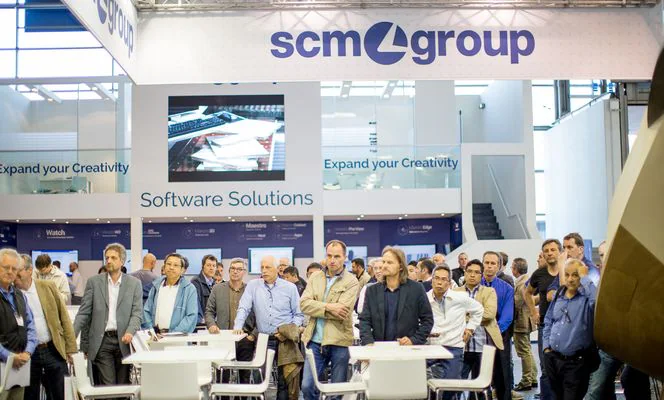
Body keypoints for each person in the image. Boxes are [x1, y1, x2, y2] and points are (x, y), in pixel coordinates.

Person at [233, 255, 303, 400]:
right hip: (264, 338)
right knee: (259, 377)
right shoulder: (253, 285)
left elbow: (298, 315)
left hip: (285, 340)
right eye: (262, 267)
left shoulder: (290, 288)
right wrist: (238, 326)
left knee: (284, 380)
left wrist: (289, 330)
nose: (264, 270)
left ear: (278, 269)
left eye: (268, 267)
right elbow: (244, 307)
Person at [73, 243, 143, 386]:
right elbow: (83, 313)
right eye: (107, 258)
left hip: (124, 341)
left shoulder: (134, 284)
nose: (109, 261)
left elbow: (137, 313)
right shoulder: (94, 282)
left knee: (123, 386)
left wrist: (130, 331)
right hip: (102, 341)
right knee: (108, 385)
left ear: (122, 261)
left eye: (113, 258)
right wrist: (71, 338)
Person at [301, 240, 359, 400]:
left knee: (335, 392)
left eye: (337, 256)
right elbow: (304, 304)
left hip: (339, 341)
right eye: (329, 256)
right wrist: (330, 307)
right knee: (307, 386)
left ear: (345, 257)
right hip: (315, 341)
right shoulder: (315, 277)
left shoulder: (352, 281)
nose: (332, 260)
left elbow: (343, 312)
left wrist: (317, 307)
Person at [14, 256, 77, 400]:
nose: (14, 274)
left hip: (52, 349)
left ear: (30, 270)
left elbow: (64, 318)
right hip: (26, 354)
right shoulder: (11, 294)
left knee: (59, 393)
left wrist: (71, 348)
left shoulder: (48, 287)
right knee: (29, 395)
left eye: (18, 270)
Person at [542, 258, 597, 400]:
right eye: (567, 275)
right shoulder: (559, 294)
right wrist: (546, 347)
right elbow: (548, 320)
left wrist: (585, 277)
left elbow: (596, 303)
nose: (570, 279)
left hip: (576, 362)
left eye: (575, 275)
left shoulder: (586, 298)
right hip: (553, 359)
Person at [427, 265, 483, 400]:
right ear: (432, 280)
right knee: (413, 374)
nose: (439, 282)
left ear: (449, 282)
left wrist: (470, 328)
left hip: (453, 346)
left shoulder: (459, 298)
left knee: (451, 384)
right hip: (431, 346)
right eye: (437, 278)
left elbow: (479, 309)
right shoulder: (424, 298)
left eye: (443, 279)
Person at [359, 246, 433, 346]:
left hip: (407, 349)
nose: (384, 266)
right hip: (379, 348)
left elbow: (427, 320)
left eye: (389, 262)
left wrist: (414, 340)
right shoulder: (372, 291)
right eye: (384, 262)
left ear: (401, 266)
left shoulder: (416, 289)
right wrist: (368, 342)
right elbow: (364, 321)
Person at [205, 258, 256, 387]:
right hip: (224, 338)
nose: (235, 271)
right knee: (223, 376)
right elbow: (209, 311)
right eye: (233, 268)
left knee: (244, 376)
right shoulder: (217, 289)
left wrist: (253, 335)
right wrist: (211, 325)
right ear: (229, 271)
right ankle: (224, 396)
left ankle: (243, 396)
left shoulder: (251, 290)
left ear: (244, 272)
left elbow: (260, 315)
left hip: (245, 338)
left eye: (239, 269)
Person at [458, 259, 504, 400]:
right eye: (469, 271)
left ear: (481, 275)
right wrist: (476, 313)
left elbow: (489, 314)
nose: (472, 275)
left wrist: (464, 315)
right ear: (465, 273)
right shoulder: (455, 292)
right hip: (461, 346)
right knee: (456, 384)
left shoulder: (489, 291)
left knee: (481, 388)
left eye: (476, 272)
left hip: (482, 346)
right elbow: (452, 315)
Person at [523, 239, 561, 400]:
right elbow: (527, 292)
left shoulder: (566, 272)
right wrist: (533, 313)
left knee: (564, 367)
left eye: (553, 250)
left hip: (565, 326)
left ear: (560, 252)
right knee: (546, 367)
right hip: (545, 325)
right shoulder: (539, 274)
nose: (549, 253)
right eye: (546, 251)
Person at [0, 248, 37, 400]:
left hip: (20, 366)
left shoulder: (20, 295)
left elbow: (31, 327)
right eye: (5, 267)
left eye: (14, 269)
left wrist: (27, 353)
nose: (10, 272)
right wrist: (10, 357)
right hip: (3, 364)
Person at [482, 251, 515, 400]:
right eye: (486, 263)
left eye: (493, 263)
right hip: (477, 334)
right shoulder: (474, 286)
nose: (489, 266)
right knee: (478, 373)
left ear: (499, 266)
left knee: (502, 373)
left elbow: (507, 316)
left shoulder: (507, 288)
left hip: (500, 334)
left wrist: (494, 332)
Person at [143, 253, 198, 333]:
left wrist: (175, 334)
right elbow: (146, 311)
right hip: (156, 335)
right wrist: (151, 331)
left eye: (176, 265)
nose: (171, 267)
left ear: (182, 270)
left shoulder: (189, 289)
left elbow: (191, 316)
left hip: (178, 337)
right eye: (168, 264)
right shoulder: (155, 286)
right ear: (164, 267)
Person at [546, 233, 600, 302]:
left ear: (580, 249)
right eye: (564, 248)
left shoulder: (590, 269)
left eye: (569, 247)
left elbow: (569, 296)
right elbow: (549, 296)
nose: (565, 251)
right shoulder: (566, 267)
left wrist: (561, 267)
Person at [511, 258, 537, 391]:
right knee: (527, 350)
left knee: (523, 352)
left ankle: (526, 380)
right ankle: (533, 378)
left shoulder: (521, 283)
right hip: (526, 320)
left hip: (521, 321)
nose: (511, 269)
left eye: (512, 267)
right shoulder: (526, 280)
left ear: (516, 269)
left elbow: (518, 302)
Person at [190, 254, 218, 324]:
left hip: (213, 322)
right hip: (202, 323)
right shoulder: (195, 282)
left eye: (214, 266)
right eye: (208, 265)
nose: (211, 268)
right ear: (203, 266)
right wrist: (202, 320)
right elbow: (196, 305)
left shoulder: (215, 283)